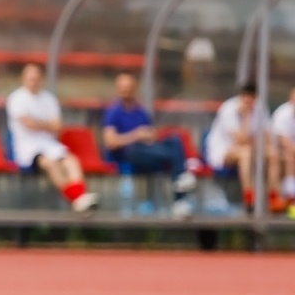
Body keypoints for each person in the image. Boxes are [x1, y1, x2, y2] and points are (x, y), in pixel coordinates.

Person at [100, 72, 197, 219]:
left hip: (146, 151)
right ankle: (182, 179)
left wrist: (148, 135)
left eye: (128, 87)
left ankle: (180, 201)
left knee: (175, 141)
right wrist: (135, 135)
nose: (126, 91)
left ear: (135, 88)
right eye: (122, 88)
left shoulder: (141, 111)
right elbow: (110, 142)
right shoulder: (113, 112)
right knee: (170, 156)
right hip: (126, 154)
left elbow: (152, 136)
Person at [5, 62, 97, 213]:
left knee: (71, 161)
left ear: (41, 79)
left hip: (49, 144)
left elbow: (57, 126)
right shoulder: (16, 98)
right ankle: (78, 199)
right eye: (30, 78)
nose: (33, 81)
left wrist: (38, 123)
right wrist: (47, 125)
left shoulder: (49, 99)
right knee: (49, 163)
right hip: (28, 148)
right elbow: (29, 124)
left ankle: (79, 199)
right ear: (23, 79)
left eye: (36, 78)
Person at [205, 82, 286, 213]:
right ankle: (249, 196)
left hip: (251, 147)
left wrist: (268, 146)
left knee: (273, 154)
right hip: (224, 151)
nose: (249, 103)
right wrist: (246, 116)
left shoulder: (260, 108)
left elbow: (267, 135)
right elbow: (241, 140)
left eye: (252, 99)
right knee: (245, 153)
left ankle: (274, 197)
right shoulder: (228, 109)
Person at [268, 88, 295, 206]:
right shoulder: (282, 114)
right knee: (288, 158)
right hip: (276, 151)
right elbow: (286, 144)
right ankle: (288, 197)